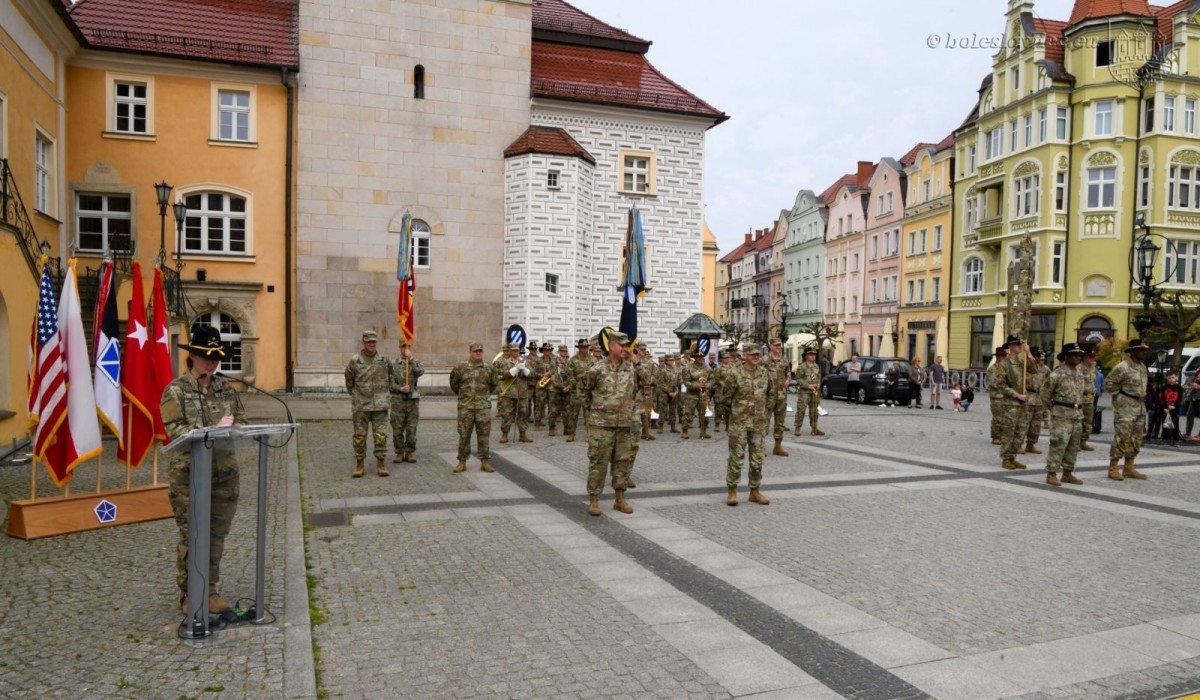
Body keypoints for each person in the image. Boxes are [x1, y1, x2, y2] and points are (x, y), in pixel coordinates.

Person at [161, 325, 245, 614]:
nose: (212, 363)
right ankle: (189, 594)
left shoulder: (226, 388)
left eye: (216, 357)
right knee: (193, 535)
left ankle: (210, 591)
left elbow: (242, 421)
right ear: (193, 356)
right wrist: (210, 429)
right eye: (207, 357)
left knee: (216, 535)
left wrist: (233, 427)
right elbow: (174, 430)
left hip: (224, 473)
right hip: (189, 477)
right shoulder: (176, 391)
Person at [579, 330, 637, 516]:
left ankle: (619, 499)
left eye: (627, 345)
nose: (626, 349)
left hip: (624, 424)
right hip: (601, 425)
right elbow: (582, 391)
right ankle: (594, 499)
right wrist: (595, 411)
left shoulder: (630, 368)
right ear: (612, 346)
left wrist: (637, 361)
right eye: (622, 345)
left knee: (622, 463)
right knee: (598, 462)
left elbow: (647, 383)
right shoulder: (596, 369)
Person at [720, 343, 774, 506]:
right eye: (752, 355)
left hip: (759, 423)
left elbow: (771, 394)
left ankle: (754, 491)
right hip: (739, 424)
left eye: (757, 354)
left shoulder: (764, 373)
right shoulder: (734, 374)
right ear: (744, 355)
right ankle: (732, 491)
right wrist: (735, 416)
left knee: (757, 459)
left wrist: (764, 412)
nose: (756, 357)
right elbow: (725, 399)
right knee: (736, 458)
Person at [345, 330, 391, 478]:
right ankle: (359, 464)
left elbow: (391, 377)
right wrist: (356, 395)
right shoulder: (355, 360)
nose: (371, 344)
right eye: (368, 341)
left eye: (373, 342)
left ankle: (381, 464)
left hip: (380, 405)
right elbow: (349, 380)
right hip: (361, 406)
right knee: (359, 436)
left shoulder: (384, 359)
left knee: (381, 436)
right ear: (363, 343)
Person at [1040, 343, 1087, 486]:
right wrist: (1054, 409)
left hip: (1077, 415)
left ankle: (1067, 473)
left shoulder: (1079, 373)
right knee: (1058, 444)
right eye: (1074, 355)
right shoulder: (1057, 374)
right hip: (1061, 415)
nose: (1078, 357)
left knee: (1073, 445)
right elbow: (1045, 394)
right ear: (1066, 356)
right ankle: (1052, 473)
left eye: (1079, 355)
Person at [1104, 338, 1151, 480]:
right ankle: (1113, 468)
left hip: (1139, 407)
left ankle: (1129, 467)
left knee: (1136, 438)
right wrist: (1120, 397)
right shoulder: (1122, 367)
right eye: (1141, 350)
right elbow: (1109, 383)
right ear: (1133, 352)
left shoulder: (1142, 367)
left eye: (1144, 350)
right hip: (1125, 407)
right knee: (1122, 437)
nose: (1144, 352)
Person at [449, 342, 498, 472]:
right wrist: (464, 397)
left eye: (480, 351)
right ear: (470, 352)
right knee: (464, 435)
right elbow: (454, 384)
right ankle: (462, 461)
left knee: (484, 434)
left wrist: (483, 397)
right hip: (466, 407)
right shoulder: (461, 367)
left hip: (483, 407)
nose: (478, 353)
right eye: (475, 351)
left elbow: (493, 384)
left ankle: (485, 461)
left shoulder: (489, 368)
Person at [993, 335, 1031, 470]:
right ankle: (1006, 458)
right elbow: (1000, 385)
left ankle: (1013, 457)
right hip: (1010, 404)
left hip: (1023, 403)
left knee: (1020, 432)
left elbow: (1035, 369)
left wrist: (1029, 353)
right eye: (1016, 344)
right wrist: (1016, 395)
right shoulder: (1004, 364)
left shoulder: (1022, 362)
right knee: (1009, 433)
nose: (1019, 346)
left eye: (1020, 344)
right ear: (1010, 346)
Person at [389, 339, 424, 464]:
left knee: (411, 427)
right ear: (399, 348)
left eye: (408, 346)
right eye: (403, 346)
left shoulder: (416, 362)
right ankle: (399, 452)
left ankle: (409, 451)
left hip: (412, 401)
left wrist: (412, 359)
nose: (406, 349)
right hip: (398, 401)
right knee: (397, 427)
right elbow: (389, 384)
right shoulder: (393, 364)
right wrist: (400, 388)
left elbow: (420, 372)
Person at [494, 342, 532, 443]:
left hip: (522, 392)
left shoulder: (524, 361)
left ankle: (522, 434)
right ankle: (504, 434)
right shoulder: (504, 362)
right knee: (506, 415)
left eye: (517, 350)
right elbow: (502, 374)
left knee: (523, 414)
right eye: (514, 350)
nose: (516, 352)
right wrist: (515, 369)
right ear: (510, 351)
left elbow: (532, 374)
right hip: (509, 393)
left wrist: (525, 370)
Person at [764, 339, 793, 453]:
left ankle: (777, 446)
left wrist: (788, 380)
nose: (778, 347)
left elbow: (788, 373)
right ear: (770, 346)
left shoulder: (784, 360)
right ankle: (761, 447)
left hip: (781, 396)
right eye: (775, 345)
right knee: (764, 421)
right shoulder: (764, 360)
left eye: (779, 345)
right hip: (768, 396)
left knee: (780, 422)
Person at [562, 339, 592, 442]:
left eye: (586, 347)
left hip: (588, 392)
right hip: (576, 391)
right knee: (573, 414)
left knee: (588, 414)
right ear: (579, 348)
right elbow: (569, 375)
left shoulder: (593, 360)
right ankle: (571, 433)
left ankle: (590, 434)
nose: (585, 349)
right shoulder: (573, 360)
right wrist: (577, 384)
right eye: (583, 347)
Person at [680, 347, 712, 439]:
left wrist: (707, 385)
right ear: (694, 357)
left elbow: (712, 379)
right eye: (698, 356)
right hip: (692, 395)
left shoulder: (707, 367)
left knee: (705, 413)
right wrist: (695, 385)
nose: (700, 358)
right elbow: (686, 382)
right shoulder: (688, 368)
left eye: (701, 356)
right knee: (688, 413)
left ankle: (703, 430)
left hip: (704, 395)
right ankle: (685, 430)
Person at [1023, 347, 1049, 455]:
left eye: (1039, 355)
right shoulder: (1026, 365)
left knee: (1036, 424)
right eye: (1036, 355)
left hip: (1039, 398)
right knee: (1024, 423)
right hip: (1028, 396)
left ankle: (1031, 444)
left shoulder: (1045, 369)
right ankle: (1018, 444)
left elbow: (1048, 383)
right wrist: (1028, 353)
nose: (1038, 358)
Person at [794, 345, 824, 436]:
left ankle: (814, 428)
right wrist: (808, 386)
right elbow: (798, 379)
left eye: (814, 355)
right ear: (806, 356)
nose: (813, 356)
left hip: (815, 392)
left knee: (814, 411)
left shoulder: (816, 366)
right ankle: (798, 428)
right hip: (804, 393)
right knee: (801, 410)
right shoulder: (802, 367)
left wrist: (819, 384)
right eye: (810, 354)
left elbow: (819, 376)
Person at [546, 344, 571, 437]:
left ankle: (566, 428)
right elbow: (554, 376)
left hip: (567, 389)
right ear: (559, 352)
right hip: (555, 389)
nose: (564, 353)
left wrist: (569, 386)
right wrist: (562, 387)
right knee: (553, 410)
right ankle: (551, 428)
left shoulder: (569, 362)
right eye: (562, 351)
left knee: (567, 410)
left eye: (565, 351)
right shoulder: (554, 361)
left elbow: (572, 375)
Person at [1079, 347, 1100, 451]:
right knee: (1078, 421)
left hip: (1090, 398)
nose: (1093, 359)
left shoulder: (1093, 368)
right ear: (1084, 357)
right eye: (1090, 357)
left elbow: (1094, 381)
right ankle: (1074, 442)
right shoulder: (1079, 368)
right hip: (1080, 397)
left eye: (1094, 357)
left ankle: (1083, 441)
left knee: (1088, 421)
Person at [986, 346, 1008, 444]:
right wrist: (1004, 385)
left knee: (1005, 418)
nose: (1003, 358)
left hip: (1006, 397)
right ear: (998, 357)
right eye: (1002, 356)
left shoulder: (1006, 369)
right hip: (996, 397)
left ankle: (1002, 435)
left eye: (1004, 356)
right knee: (997, 418)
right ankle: (995, 436)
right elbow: (992, 383)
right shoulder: (992, 369)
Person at [1158, 372, 1183, 443]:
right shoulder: (1164, 387)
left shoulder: (1179, 388)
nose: (1171, 379)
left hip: (1174, 409)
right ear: (1167, 378)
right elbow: (1160, 399)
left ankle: (1175, 439)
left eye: (1173, 378)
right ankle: (1166, 438)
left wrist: (1174, 406)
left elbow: (1180, 399)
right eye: (1169, 378)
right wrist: (1164, 408)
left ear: (1176, 378)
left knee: (1175, 424)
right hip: (1166, 409)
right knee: (1166, 424)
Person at [1185, 368, 1200, 440]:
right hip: (1194, 396)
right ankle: (1188, 434)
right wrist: (1191, 384)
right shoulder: (1198, 371)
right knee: (1189, 414)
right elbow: (1189, 381)